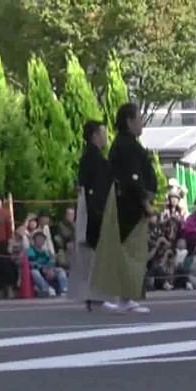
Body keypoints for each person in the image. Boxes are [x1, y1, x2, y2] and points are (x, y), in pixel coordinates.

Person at [91, 103, 156, 314]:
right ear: (129, 121)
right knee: (131, 251)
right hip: (129, 205)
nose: (141, 123)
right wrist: (145, 204)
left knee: (129, 251)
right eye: (138, 118)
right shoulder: (126, 145)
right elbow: (132, 178)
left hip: (127, 203)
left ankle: (124, 296)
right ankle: (126, 297)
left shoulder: (124, 143)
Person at [70, 120, 118, 312]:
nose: (105, 137)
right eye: (103, 133)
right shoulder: (94, 159)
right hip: (94, 210)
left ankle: (93, 296)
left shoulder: (89, 157)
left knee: (91, 255)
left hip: (88, 208)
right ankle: (97, 297)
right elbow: (97, 189)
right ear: (94, 136)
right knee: (97, 254)